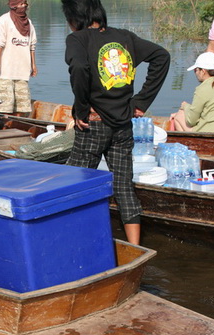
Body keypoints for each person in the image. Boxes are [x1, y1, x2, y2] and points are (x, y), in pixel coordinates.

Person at [61, 0, 170, 245]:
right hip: (123, 126)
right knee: (123, 186)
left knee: (73, 182)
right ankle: (134, 247)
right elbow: (161, 56)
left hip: (94, 125)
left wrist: (80, 109)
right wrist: (139, 102)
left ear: (75, 18)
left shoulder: (78, 39)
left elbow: (79, 67)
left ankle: (76, 240)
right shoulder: (124, 37)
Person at [170, 52, 214, 134]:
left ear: (203, 71)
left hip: (212, 132)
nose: (195, 73)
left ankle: (189, 144)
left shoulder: (202, 89)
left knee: (179, 115)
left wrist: (185, 106)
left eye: (196, 70)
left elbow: (191, 121)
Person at [0, 1, 38, 116]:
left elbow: (32, 46)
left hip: (22, 70)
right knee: (5, 106)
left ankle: (20, 127)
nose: (23, 7)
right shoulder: (4, 20)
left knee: (23, 107)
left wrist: (33, 65)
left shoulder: (28, 23)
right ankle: (5, 128)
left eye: (25, 4)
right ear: (13, 6)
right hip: (6, 71)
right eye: (20, 4)